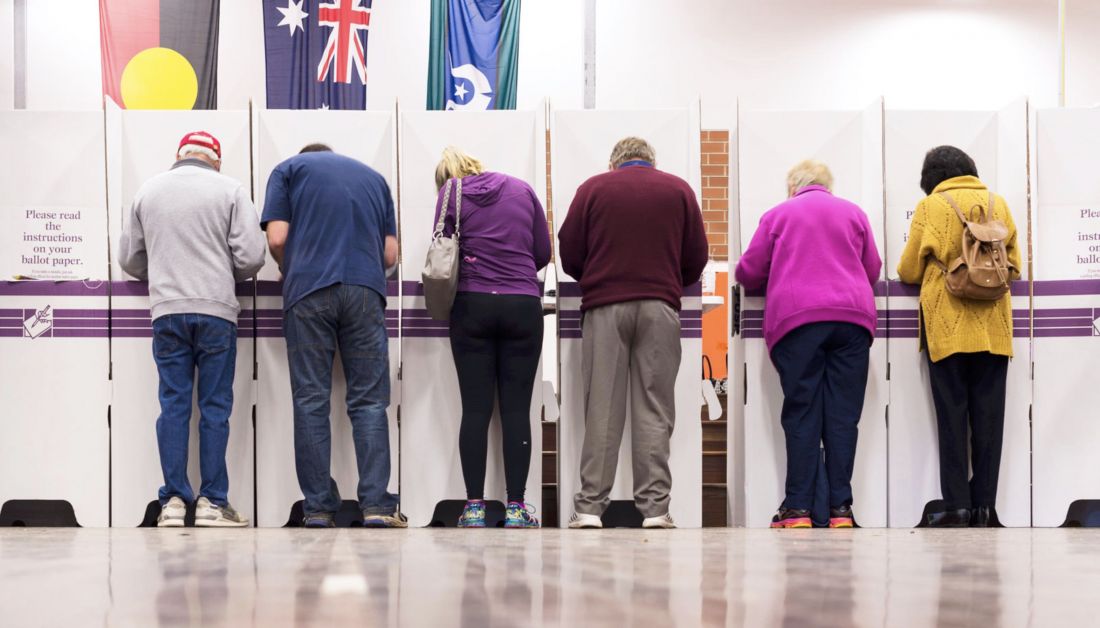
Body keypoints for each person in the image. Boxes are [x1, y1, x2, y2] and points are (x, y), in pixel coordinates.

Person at [558, 136, 709, 529]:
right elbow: (697, 258)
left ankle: (590, 508)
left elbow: (569, 251)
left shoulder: (592, 189)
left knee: (602, 410)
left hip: (605, 307)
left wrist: (597, 275)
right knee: (655, 409)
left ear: (614, 164)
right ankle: (656, 510)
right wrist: (669, 280)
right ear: (651, 162)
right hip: (660, 307)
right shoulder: (678, 190)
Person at [118, 131, 266, 528]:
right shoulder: (231, 190)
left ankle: (173, 503)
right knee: (215, 407)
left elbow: (129, 260)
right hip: (217, 311)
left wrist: (168, 270)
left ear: (178, 156)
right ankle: (212, 503)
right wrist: (219, 270)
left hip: (167, 312)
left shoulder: (148, 191)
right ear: (215, 160)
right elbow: (252, 258)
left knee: (174, 405)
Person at [261, 143, 404, 528]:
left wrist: (289, 266)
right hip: (365, 290)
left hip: (308, 290)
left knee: (311, 400)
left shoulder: (287, 170)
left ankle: (320, 509)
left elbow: (276, 239)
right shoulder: (375, 180)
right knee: (370, 402)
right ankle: (376, 506)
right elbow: (390, 255)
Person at [735, 160, 881, 529]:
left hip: (798, 321)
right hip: (852, 322)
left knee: (802, 411)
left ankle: (798, 509)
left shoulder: (778, 215)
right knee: (843, 417)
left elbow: (748, 272)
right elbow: (873, 268)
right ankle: (840, 510)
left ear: (792, 187)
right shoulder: (854, 214)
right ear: (828, 186)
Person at [898, 145, 1020, 528]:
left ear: (930, 177)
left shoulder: (931, 207)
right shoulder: (997, 204)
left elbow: (908, 268)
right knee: (989, 422)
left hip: (946, 329)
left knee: (952, 420)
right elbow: (1015, 264)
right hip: (994, 329)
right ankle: (985, 507)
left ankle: (958, 505)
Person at [432, 147, 551, 529]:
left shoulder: (452, 193)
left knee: (476, 409)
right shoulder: (523, 189)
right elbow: (543, 253)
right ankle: (516, 508)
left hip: (472, 305)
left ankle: (475, 509)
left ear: (448, 176)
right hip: (522, 304)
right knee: (516, 410)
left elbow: (442, 248)